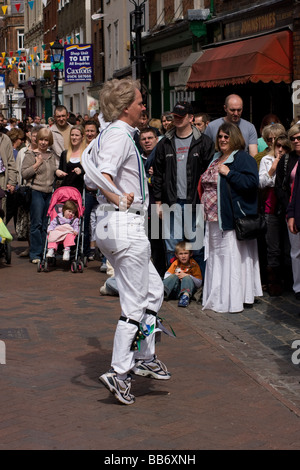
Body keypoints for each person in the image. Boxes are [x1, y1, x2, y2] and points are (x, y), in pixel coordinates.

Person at [82, 78, 171, 406]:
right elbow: (100, 175)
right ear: (124, 108)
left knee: (154, 290)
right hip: (124, 224)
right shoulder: (119, 135)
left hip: (115, 224)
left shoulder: (112, 133)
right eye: (139, 102)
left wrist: (113, 195)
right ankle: (119, 372)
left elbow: (93, 173)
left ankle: (145, 355)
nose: (144, 106)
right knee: (135, 303)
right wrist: (118, 196)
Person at [199, 122, 262, 313]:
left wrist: (230, 173)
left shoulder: (242, 158)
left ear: (235, 137)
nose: (223, 140)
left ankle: (235, 298)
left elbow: (252, 183)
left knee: (231, 255)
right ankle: (218, 294)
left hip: (230, 217)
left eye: (226, 136)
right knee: (217, 256)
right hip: (212, 218)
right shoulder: (216, 158)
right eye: (220, 136)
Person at [153, 100, 215, 276]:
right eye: (175, 116)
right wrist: (158, 201)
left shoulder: (204, 142)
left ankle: (198, 282)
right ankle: (174, 282)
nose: (177, 119)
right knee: (172, 247)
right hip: (171, 202)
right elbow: (157, 174)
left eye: (181, 116)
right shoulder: (164, 143)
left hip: (195, 203)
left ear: (191, 118)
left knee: (197, 246)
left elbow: (209, 175)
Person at [259, 134, 292, 296]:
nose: (280, 149)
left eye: (284, 147)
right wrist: (275, 166)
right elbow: (263, 182)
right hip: (271, 208)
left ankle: (289, 281)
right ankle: (274, 282)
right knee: (273, 249)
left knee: (288, 248)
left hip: (287, 208)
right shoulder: (266, 160)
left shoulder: (292, 161)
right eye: (278, 145)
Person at [21, 127, 57, 263]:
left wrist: (57, 172)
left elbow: (52, 171)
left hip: (49, 193)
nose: (43, 142)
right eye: (41, 139)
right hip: (36, 191)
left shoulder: (51, 155)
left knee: (47, 224)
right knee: (36, 223)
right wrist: (37, 164)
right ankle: (35, 253)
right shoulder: (30, 155)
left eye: (46, 140)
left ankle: (45, 251)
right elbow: (24, 174)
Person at [140, 127, 166, 278]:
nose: (147, 141)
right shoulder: (137, 158)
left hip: (157, 207)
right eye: (144, 139)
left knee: (157, 243)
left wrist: (156, 175)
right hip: (142, 208)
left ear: (157, 139)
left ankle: (159, 274)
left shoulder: (160, 158)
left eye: (150, 138)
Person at [16, 126, 42, 256]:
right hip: (25, 189)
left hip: (38, 188)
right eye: (34, 136)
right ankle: (30, 246)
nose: (36, 139)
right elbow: (18, 169)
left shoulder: (44, 151)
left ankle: (38, 247)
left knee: (37, 220)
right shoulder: (23, 152)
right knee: (26, 220)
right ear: (30, 137)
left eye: (39, 136)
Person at [281, 124, 300, 300]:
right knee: (296, 252)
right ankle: (298, 288)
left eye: (299, 138)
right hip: (294, 209)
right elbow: (287, 189)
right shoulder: (289, 160)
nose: (296, 141)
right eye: (293, 138)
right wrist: (290, 212)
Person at [163, 241, 202, 308]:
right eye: (181, 254)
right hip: (175, 290)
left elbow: (199, 283)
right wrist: (176, 275)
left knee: (187, 277)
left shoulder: (193, 264)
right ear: (176, 255)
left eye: (186, 253)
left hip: (187, 290)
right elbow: (166, 276)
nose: (183, 256)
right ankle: (162, 292)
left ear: (190, 254)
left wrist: (187, 276)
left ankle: (185, 297)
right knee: (173, 276)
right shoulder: (176, 263)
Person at [55, 125, 86, 193]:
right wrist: (57, 172)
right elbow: (60, 172)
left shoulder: (86, 154)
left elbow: (90, 174)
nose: (74, 137)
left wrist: (81, 171)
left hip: (79, 192)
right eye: (72, 135)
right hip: (65, 192)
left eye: (77, 135)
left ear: (82, 137)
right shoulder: (64, 154)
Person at [0, 132, 18, 221]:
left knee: (1, 210)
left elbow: (11, 162)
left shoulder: (5, 138)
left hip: (2, 178)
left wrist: (12, 181)